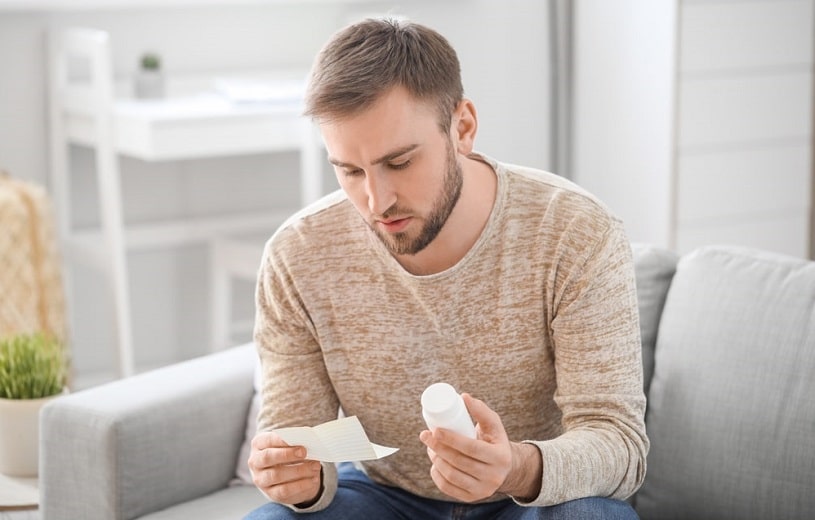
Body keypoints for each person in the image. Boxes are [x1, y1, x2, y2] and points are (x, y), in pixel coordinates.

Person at [245, 17, 647, 520]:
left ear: (463, 128)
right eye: (349, 170)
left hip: (531, 500)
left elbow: (620, 445)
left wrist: (514, 468)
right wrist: (293, 478)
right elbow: (297, 440)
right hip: (384, 497)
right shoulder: (298, 255)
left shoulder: (574, 233)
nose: (377, 200)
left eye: (400, 162)